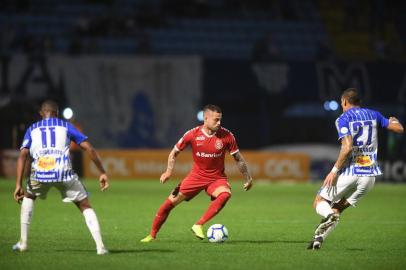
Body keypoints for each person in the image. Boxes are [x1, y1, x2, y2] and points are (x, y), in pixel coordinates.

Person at [307, 88, 404, 250]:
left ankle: (328, 217)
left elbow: (347, 148)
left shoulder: (342, 119)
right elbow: (399, 129)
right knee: (337, 208)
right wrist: (394, 121)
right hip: (370, 177)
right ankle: (318, 239)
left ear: (344, 102)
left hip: (353, 171)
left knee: (320, 202)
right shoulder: (374, 115)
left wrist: (333, 171)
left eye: (341, 104)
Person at [140, 104, 253, 242]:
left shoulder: (227, 136)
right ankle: (151, 235)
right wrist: (168, 171)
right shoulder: (192, 134)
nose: (219, 123)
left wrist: (248, 178)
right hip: (196, 177)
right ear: (206, 119)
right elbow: (174, 152)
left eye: (220, 120)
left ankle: (198, 224)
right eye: (216, 120)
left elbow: (238, 158)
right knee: (168, 205)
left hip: (216, 178)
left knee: (225, 194)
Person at [13, 100, 110, 255]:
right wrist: (102, 172)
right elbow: (89, 148)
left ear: (41, 114)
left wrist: (18, 184)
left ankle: (23, 243)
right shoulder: (66, 126)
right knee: (85, 205)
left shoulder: (32, 129)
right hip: (63, 172)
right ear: (57, 113)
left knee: (29, 197)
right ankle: (100, 247)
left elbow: (22, 155)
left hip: (39, 172)